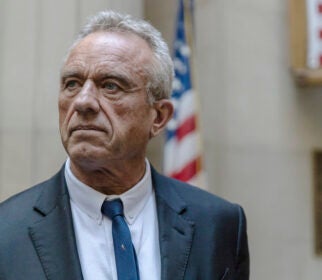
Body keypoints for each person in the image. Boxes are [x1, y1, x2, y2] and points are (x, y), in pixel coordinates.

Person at [0, 10, 249, 280]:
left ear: (159, 116)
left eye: (111, 86)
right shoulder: (7, 230)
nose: (83, 102)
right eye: (72, 84)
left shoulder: (218, 225)